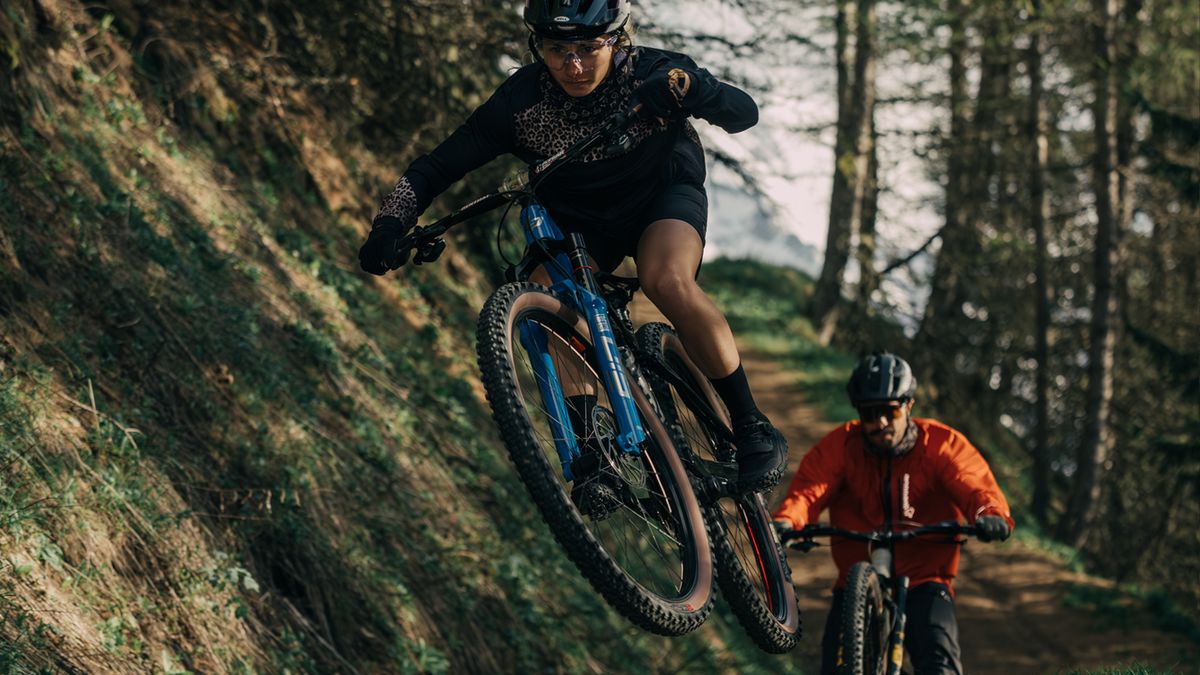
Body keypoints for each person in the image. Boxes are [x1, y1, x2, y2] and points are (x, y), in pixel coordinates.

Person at [356, 0, 788, 494]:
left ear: (616, 40)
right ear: (536, 45)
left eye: (588, 47)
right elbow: (434, 167)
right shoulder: (520, 102)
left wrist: (693, 89)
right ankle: (592, 447)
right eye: (556, 49)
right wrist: (391, 221)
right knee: (548, 298)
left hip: (661, 197)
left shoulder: (653, 72)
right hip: (584, 221)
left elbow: (744, 114)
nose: (573, 65)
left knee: (664, 278)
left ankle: (750, 422)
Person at [772, 352, 1014, 675]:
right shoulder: (842, 446)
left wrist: (989, 513)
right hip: (856, 579)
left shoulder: (941, 444)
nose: (881, 422)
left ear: (909, 406)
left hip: (926, 577)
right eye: (870, 414)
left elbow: (972, 483)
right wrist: (788, 521)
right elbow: (809, 490)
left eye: (890, 410)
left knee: (939, 663)